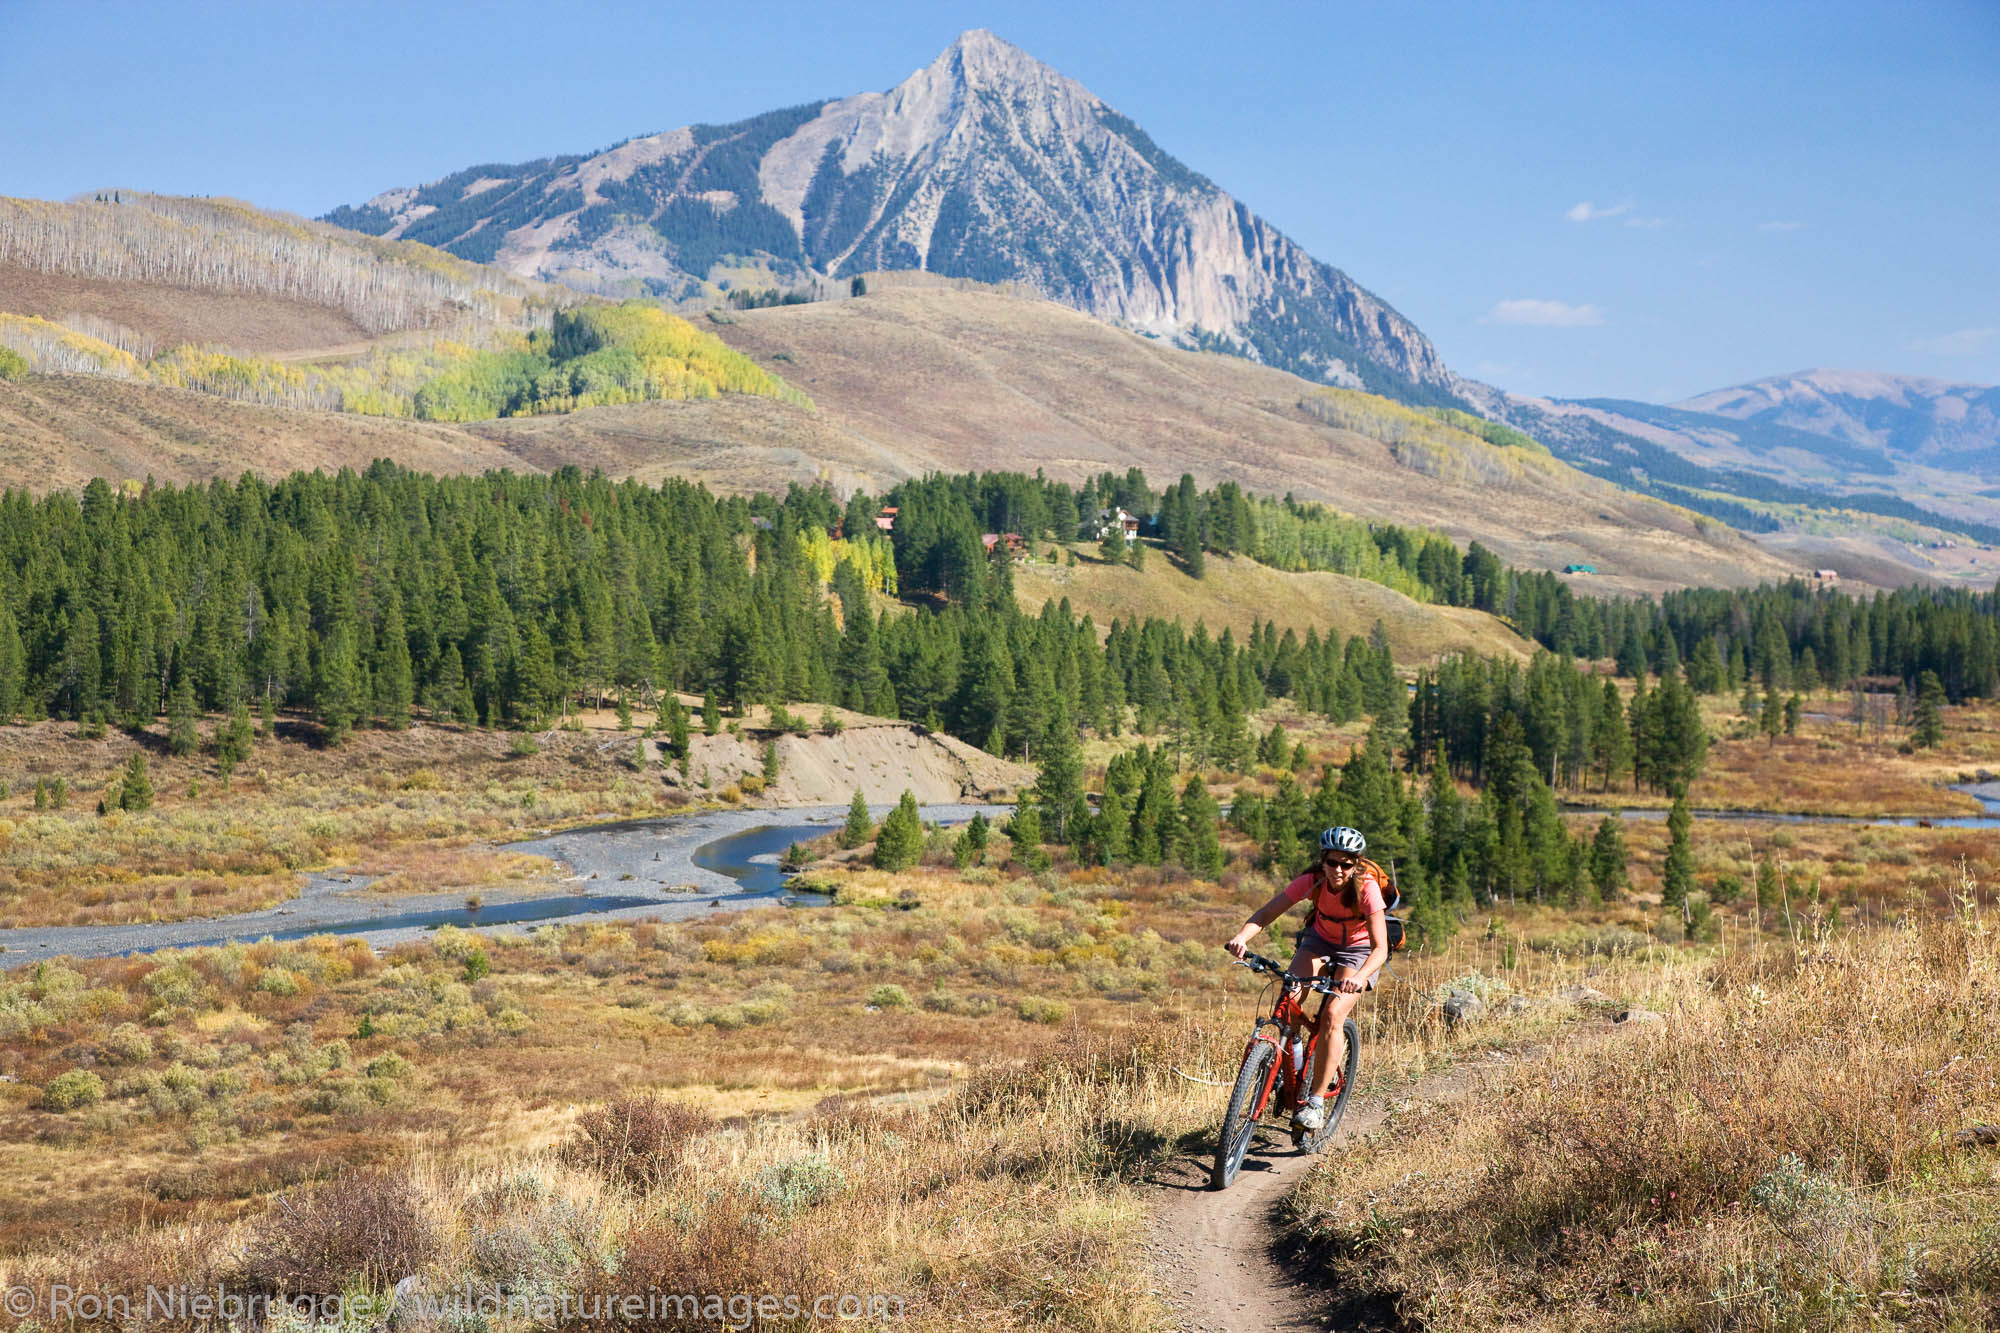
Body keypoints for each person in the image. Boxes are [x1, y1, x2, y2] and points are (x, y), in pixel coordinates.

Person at [1225, 825, 1389, 1131]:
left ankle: (1315, 1102)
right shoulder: (1312, 881)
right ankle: (1294, 1064)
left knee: (1332, 1015)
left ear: (1356, 865)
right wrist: (1242, 938)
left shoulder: (1367, 889)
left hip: (1358, 950)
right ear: (1322, 860)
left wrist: (1361, 976)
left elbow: (1381, 947)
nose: (1337, 869)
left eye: (1346, 864)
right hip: (1319, 941)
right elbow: (1266, 912)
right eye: (1332, 862)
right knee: (1289, 999)